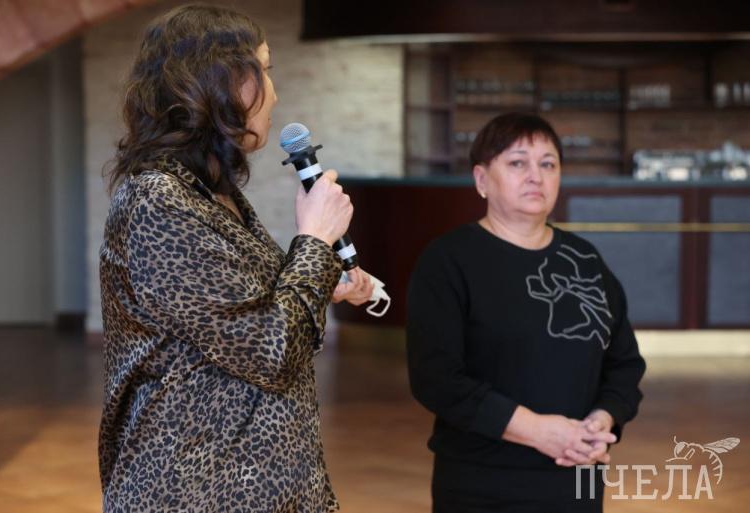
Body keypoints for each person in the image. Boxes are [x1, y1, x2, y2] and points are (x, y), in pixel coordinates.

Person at [98, 5, 373, 512]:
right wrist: (315, 241)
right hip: (197, 489)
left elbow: (241, 313)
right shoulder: (158, 200)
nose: (274, 93)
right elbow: (271, 351)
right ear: (212, 82)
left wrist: (322, 279)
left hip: (266, 481)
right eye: (263, 70)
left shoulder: (209, 192)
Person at [406, 112, 646, 512]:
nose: (536, 176)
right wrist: (537, 431)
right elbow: (436, 379)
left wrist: (603, 420)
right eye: (518, 163)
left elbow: (624, 364)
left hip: (576, 476)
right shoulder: (448, 261)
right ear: (482, 180)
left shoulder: (585, 260)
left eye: (548, 164)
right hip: (482, 484)